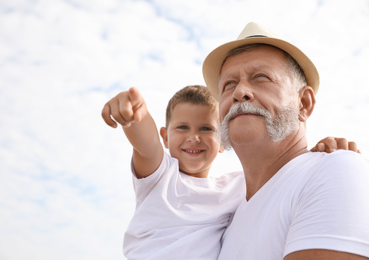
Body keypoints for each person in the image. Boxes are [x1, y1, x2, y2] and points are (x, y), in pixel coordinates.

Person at [102, 84, 359, 260]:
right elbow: (146, 146)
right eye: (182, 127)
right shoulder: (160, 177)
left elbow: (282, 176)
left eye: (206, 129)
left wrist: (321, 151)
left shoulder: (235, 188)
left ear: (223, 140)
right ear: (165, 137)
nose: (194, 137)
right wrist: (136, 116)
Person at [202, 22, 369, 259]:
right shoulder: (227, 217)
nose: (240, 92)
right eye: (229, 84)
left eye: (261, 77)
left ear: (304, 103)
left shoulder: (334, 169)